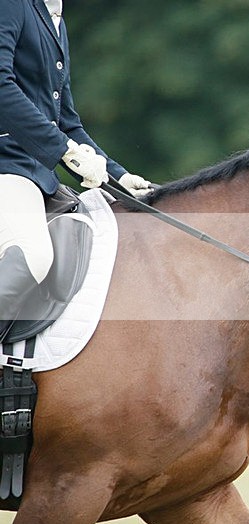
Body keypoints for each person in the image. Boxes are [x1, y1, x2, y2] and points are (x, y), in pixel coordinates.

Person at [0, 0, 151, 341]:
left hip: (37, 177)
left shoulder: (54, 19)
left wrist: (119, 176)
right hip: (6, 168)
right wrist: (64, 151)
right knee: (33, 255)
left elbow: (66, 121)